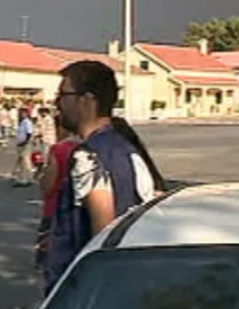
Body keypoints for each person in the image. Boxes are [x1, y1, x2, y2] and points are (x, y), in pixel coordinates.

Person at [45, 60, 165, 295]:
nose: (57, 104)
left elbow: (103, 232)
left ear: (86, 100)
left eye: (63, 95)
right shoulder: (125, 147)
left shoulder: (88, 156)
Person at [34, 117, 77, 285]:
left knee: (48, 261)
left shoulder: (59, 150)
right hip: (76, 210)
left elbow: (48, 184)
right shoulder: (84, 147)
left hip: (54, 209)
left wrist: (42, 174)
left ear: (61, 129)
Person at [11, 108, 34, 186]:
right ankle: (23, 178)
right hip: (20, 143)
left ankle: (26, 179)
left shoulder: (27, 122)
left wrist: (25, 142)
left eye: (22, 113)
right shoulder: (21, 122)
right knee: (21, 161)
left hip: (25, 144)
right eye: (20, 113)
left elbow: (29, 133)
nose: (20, 115)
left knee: (26, 161)